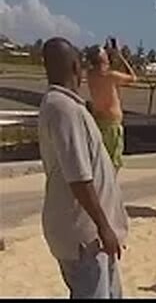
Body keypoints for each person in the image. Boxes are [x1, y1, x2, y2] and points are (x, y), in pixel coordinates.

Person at [38, 38, 130, 299]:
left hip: (91, 236)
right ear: (76, 67)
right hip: (85, 237)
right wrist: (104, 226)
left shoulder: (66, 106)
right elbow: (79, 177)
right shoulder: (64, 109)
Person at [84, 39, 137, 171]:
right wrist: (119, 55)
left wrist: (107, 56)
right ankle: (109, 187)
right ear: (102, 58)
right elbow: (133, 77)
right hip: (112, 123)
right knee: (114, 161)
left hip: (98, 120)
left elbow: (96, 66)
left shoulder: (90, 74)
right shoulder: (111, 76)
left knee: (99, 158)